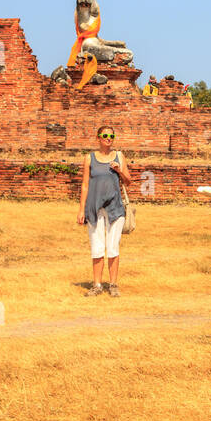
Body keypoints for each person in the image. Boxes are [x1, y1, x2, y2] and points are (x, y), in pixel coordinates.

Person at [76, 125, 133, 296]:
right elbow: (85, 184)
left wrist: (119, 170)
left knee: (113, 246)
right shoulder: (89, 158)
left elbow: (128, 181)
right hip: (94, 207)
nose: (109, 138)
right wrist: (81, 209)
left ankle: (113, 284)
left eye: (111, 136)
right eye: (105, 135)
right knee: (97, 247)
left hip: (115, 207)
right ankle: (97, 285)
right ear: (98, 137)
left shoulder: (119, 156)